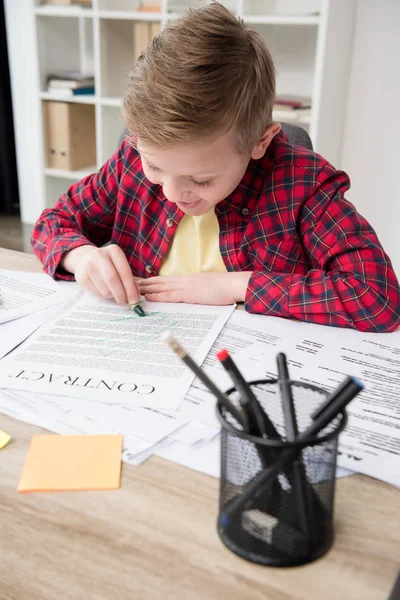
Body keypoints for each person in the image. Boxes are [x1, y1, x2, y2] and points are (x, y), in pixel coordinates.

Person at [32, 2, 400, 332]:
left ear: (261, 143)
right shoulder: (130, 160)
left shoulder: (304, 184)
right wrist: (80, 257)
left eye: (201, 179)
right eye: (155, 166)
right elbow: (53, 221)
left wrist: (237, 286)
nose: (174, 193)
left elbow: (377, 297)